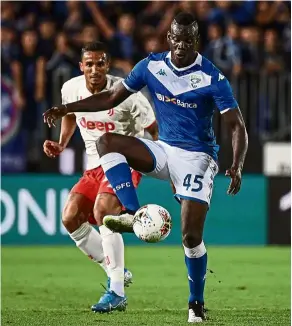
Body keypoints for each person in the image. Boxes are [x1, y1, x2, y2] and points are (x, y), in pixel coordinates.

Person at [43, 13, 248, 323]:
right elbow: (111, 97)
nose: (181, 46)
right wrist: (66, 108)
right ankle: (133, 213)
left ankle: (196, 303)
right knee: (108, 142)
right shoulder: (151, 66)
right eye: (176, 39)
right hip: (164, 150)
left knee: (191, 237)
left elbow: (236, 125)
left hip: (198, 158)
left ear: (197, 42)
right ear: (169, 38)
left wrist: (237, 164)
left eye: (188, 41)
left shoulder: (212, 77)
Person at [43, 41, 157, 313]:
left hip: (124, 163)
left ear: (108, 65)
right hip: (94, 166)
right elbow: (70, 114)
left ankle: (116, 291)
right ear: (81, 66)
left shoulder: (128, 94)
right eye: (89, 64)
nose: (94, 69)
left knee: (104, 210)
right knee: (70, 217)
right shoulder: (71, 88)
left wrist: (158, 164)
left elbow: (154, 129)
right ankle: (115, 269)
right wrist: (61, 143)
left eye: (100, 63)